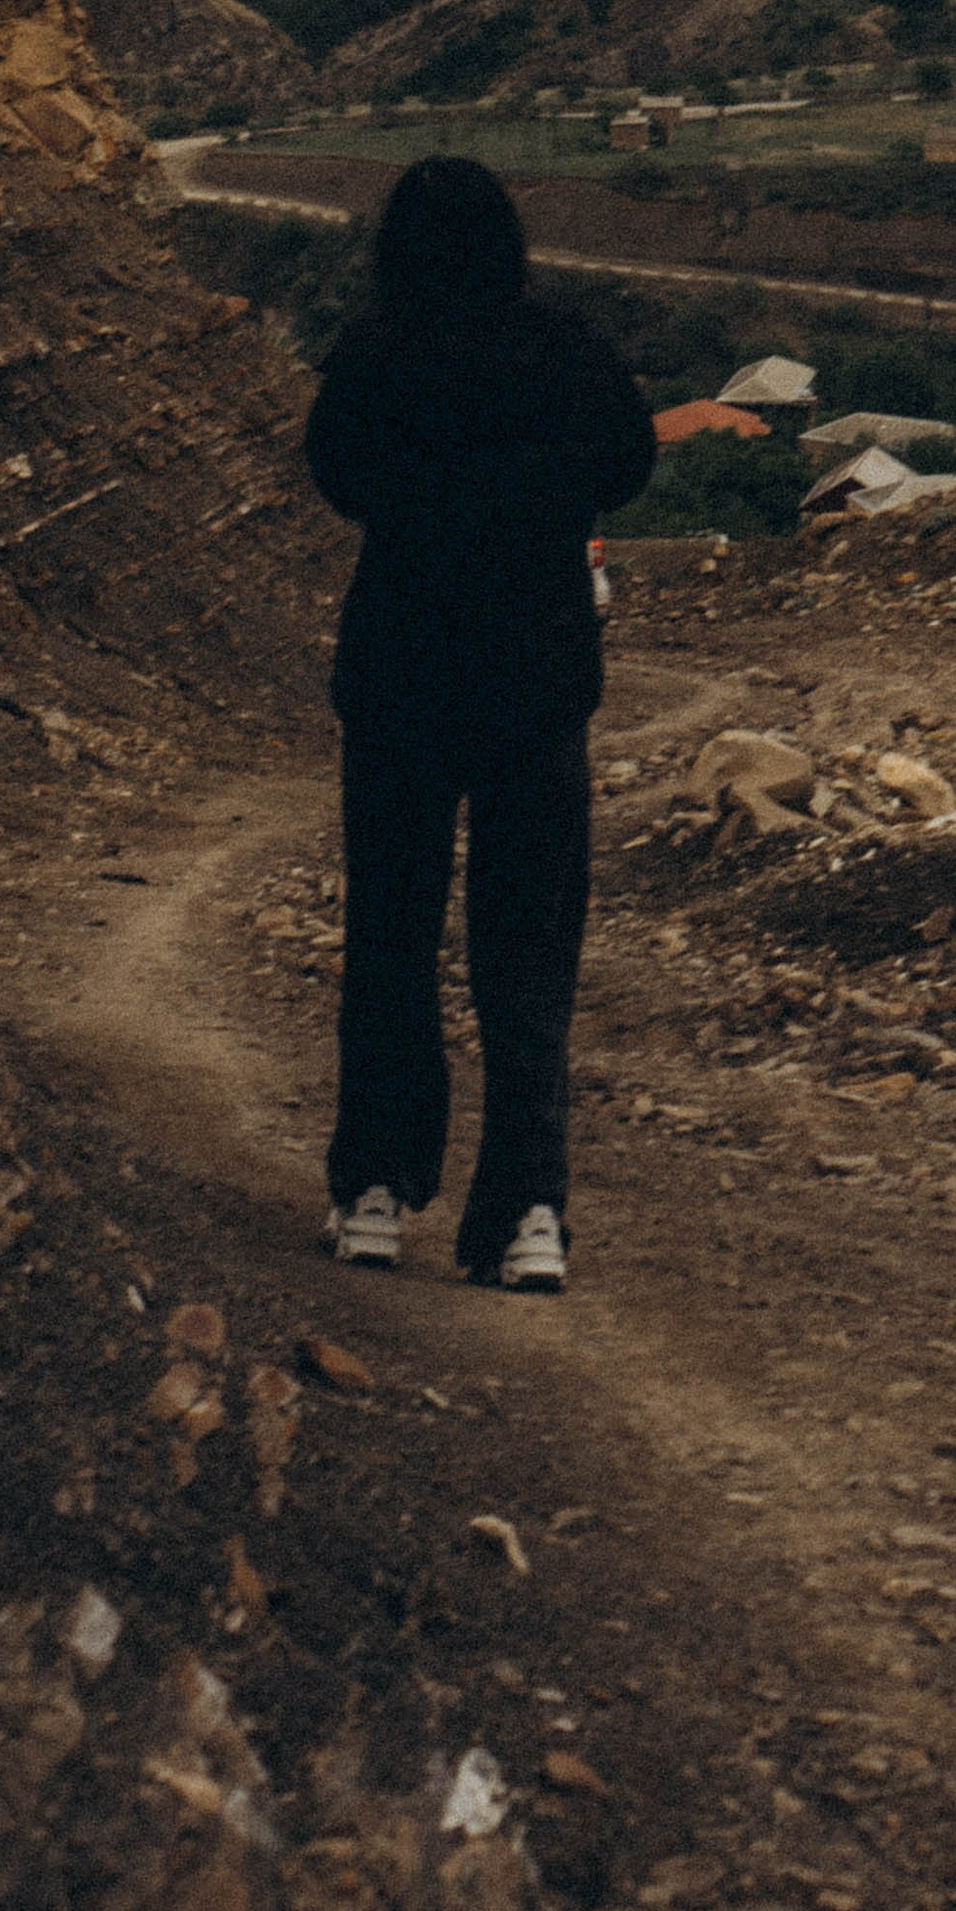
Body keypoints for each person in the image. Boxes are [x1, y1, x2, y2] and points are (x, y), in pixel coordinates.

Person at [303, 156, 655, 1291]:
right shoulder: (568, 350)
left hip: (402, 680)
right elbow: (629, 463)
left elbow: (339, 479)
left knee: (391, 942)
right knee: (527, 961)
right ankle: (527, 1215)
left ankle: (374, 1192)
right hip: (536, 687)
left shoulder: (372, 353)